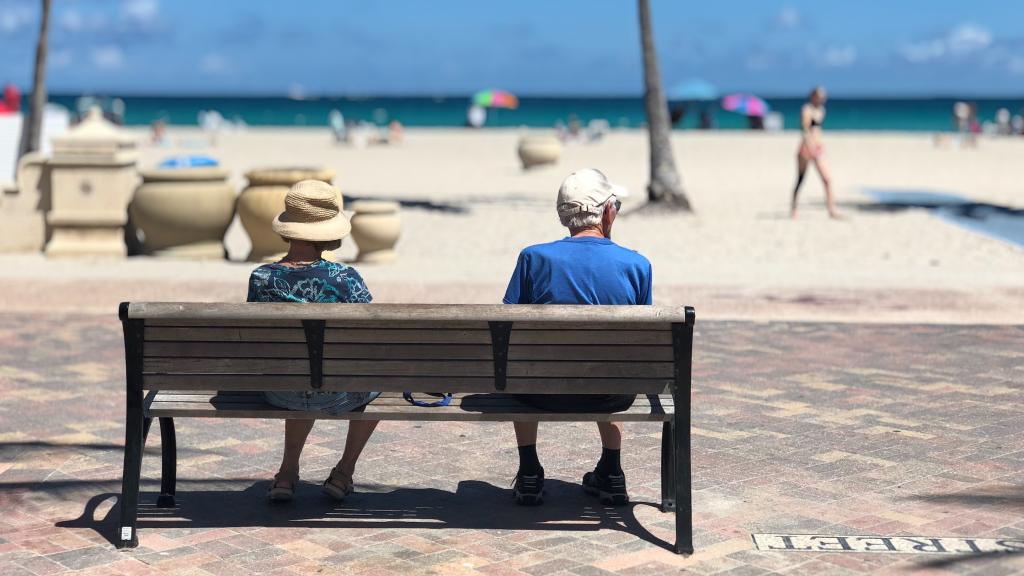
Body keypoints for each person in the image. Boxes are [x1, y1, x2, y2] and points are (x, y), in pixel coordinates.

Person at [502, 168, 653, 506]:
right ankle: (612, 471)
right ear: (608, 212)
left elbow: (508, 326)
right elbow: (639, 343)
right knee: (613, 361)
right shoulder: (637, 265)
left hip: (540, 393)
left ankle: (528, 471)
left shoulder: (533, 258)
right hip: (611, 395)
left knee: (522, 365)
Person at [247, 179, 380, 503]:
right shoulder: (346, 279)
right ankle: (344, 471)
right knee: (381, 377)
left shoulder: (261, 278)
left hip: (279, 391)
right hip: (337, 395)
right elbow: (369, 334)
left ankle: (287, 473)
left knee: (300, 367)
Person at [791, 86, 839, 219]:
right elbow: (805, 129)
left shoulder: (821, 110)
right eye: (820, 96)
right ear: (813, 96)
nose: (823, 98)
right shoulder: (807, 109)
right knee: (800, 179)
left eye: (824, 96)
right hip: (806, 148)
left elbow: (817, 130)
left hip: (818, 149)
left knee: (827, 180)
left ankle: (831, 209)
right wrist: (810, 145)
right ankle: (794, 208)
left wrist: (819, 145)